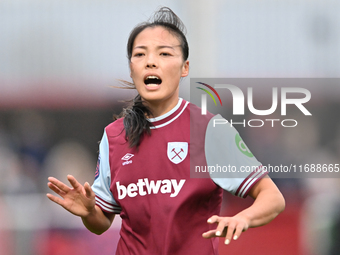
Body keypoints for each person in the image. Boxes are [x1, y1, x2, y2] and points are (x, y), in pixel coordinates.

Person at [46, 7, 285, 255]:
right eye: (140, 54)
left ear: (185, 68)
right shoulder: (114, 136)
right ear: (131, 69)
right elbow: (101, 223)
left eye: (164, 53)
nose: (151, 61)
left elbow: (272, 197)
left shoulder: (208, 130)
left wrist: (242, 219)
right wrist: (89, 213)